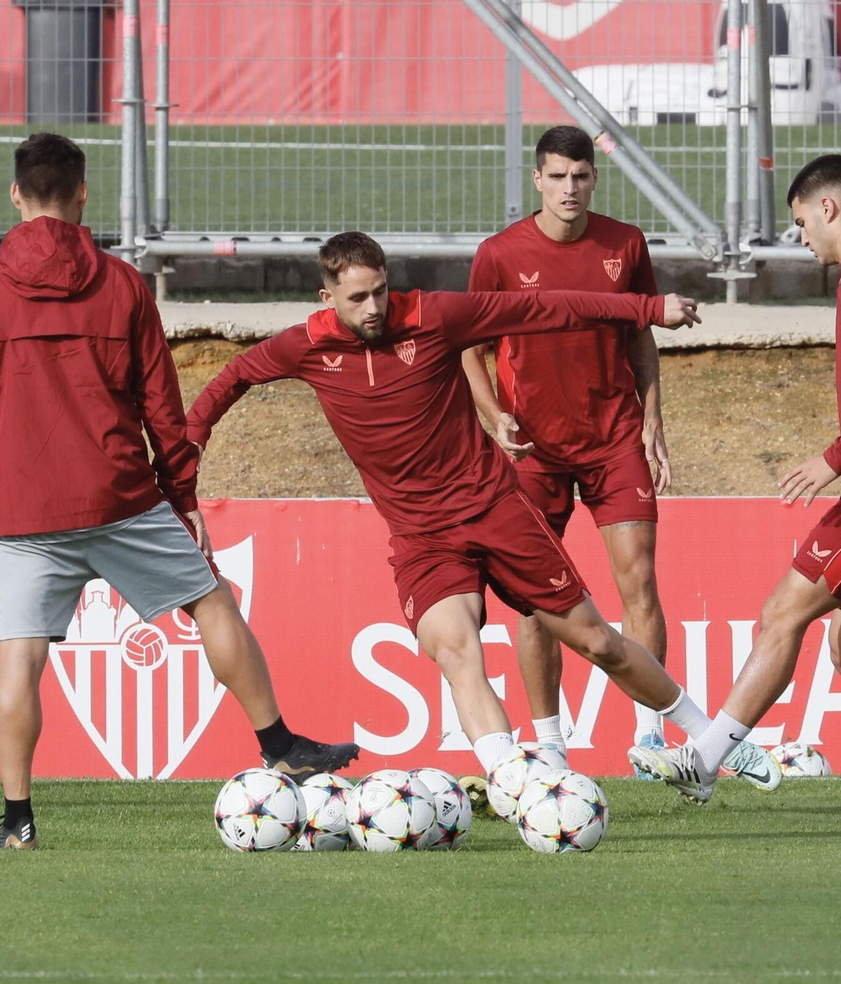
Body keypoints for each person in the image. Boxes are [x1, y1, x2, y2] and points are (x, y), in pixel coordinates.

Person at [188, 232, 776, 788]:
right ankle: (517, 785)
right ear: (328, 297)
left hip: (496, 510)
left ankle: (714, 740)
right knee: (455, 647)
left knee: (599, 643)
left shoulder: (435, 316)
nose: (374, 308)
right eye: (358, 298)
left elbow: (549, 307)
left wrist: (646, 308)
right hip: (422, 537)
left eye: (380, 291)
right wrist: (190, 444)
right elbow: (232, 378)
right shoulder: (308, 345)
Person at [0, 133, 357, 851]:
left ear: (15, 196)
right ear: (83, 193)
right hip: (119, 494)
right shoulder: (122, 284)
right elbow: (163, 407)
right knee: (211, 602)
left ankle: (17, 820)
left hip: (21, 504)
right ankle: (278, 742)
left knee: (19, 659)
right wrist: (183, 497)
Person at [630, 154, 841, 824]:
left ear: (829, 208)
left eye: (800, 223)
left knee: (781, 613)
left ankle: (704, 759)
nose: (802, 237)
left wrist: (834, 458)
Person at [461, 125, 779, 789]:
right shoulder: (499, 255)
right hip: (535, 450)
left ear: (593, 179)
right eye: (557, 177)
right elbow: (470, 348)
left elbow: (640, 337)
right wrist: (495, 418)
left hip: (613, 438)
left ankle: (650, 740)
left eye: (580, 177)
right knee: (535, 601)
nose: (569, 189)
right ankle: (549, 748)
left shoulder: (624, 244)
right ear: (538, 180)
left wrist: (653, 418)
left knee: (638, 581)